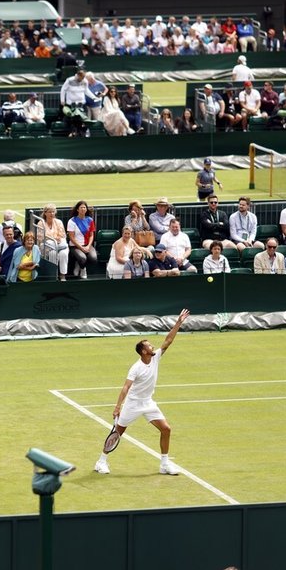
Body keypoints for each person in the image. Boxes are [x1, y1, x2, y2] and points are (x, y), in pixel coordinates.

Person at [94, 309, 191, 476]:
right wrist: (118, 407)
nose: (152, 346)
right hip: (133, 404)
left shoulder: (155, 357)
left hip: (148, 403)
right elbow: (126, 387)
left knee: (166, 429)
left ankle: (165, 464)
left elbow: (168, 340)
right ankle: (100, 462)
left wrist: (179, 322)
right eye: (149, 345)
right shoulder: (136, 368)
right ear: (143, 351)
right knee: (118, 433)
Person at [35, 203, 69, 281]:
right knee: (52, 251)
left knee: (63, 253)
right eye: (50, 212)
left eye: (53, 212)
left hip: (59, 245)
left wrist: (54, 239)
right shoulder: (41, 223)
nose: (52, 214)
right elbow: (41, 238)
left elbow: (62, 235)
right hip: (47, 247)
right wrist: (54, 239)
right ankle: (54, 275)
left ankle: (62, 276)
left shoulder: (59, 222)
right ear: (45, 213)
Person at [67, 200, 97, 279]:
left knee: (94, 258)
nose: (83, 209)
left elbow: (91, 235)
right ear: (77, 209)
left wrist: (88, 246)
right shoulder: (72, 221)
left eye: (84, 207)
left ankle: (79, 264)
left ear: (86, 209)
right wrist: (81, 248)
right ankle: (83, 269)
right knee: (83, 258)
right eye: (81, 207)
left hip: (87, 245)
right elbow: (72, 238)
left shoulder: (90, 220)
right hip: (75, 246)